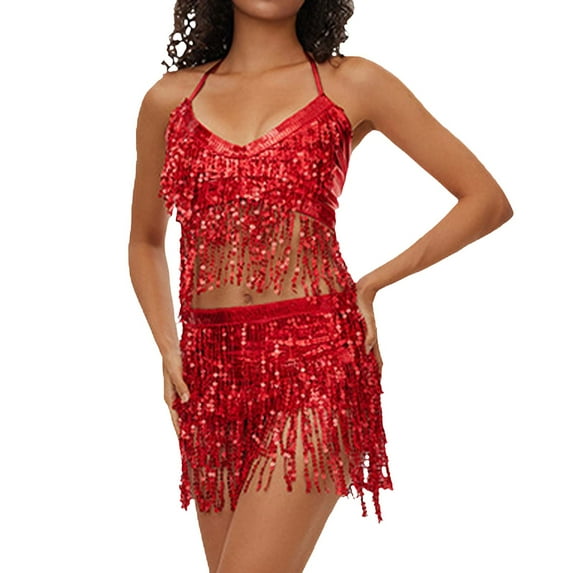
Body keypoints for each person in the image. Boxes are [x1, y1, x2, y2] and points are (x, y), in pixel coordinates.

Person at [128, 1, 513, 571]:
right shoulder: (168, 101)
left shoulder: (352, 83)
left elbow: (485, 200)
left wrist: (371, 285)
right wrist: (168, 346)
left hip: (316, 361)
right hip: (209, 376)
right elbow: (145, 241)